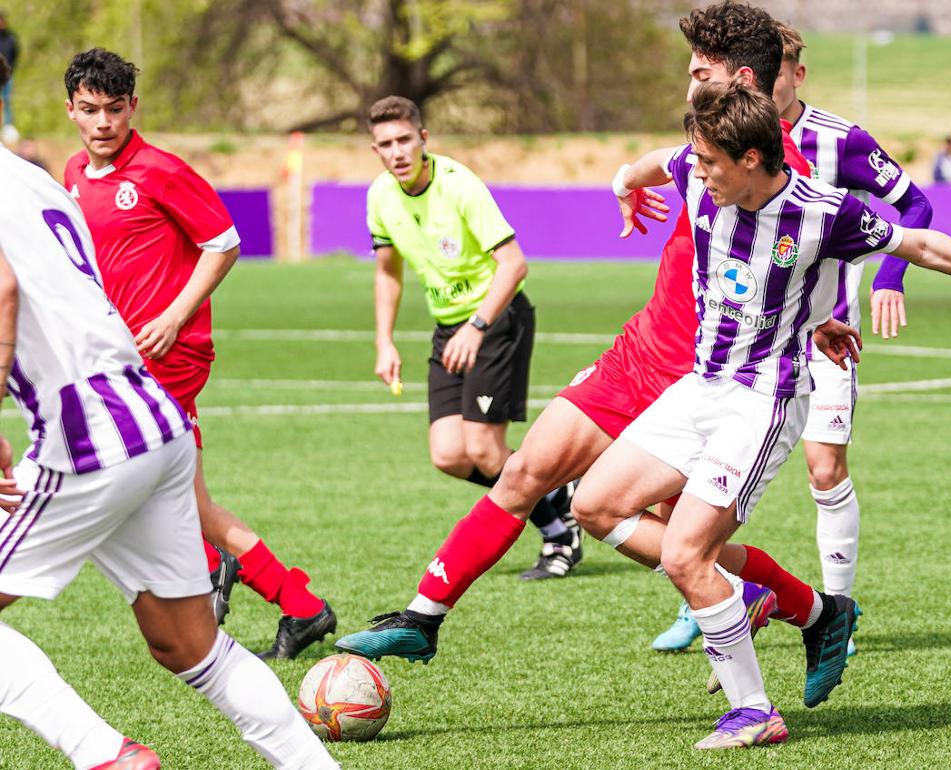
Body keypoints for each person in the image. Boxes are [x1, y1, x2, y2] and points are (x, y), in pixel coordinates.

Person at [336, 3, 844, 699]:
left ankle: (808, 611)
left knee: (676, 544)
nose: (689, 80)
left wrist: (818, 318)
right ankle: (423, 617)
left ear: (743, 78)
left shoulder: (779, 166)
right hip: (638, 353)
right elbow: (647, 169)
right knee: (524, 475)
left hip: (700, 380)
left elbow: (802, 255)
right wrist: (622, 187)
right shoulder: (698, 143)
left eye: (701, 70)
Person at [576, 79, 951, 749]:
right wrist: (623, 186)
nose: (700, 171)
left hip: (762, 401)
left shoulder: (821, 211)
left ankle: (754, 710)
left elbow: (918, 246)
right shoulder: (698, 169)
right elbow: (646, 167)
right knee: (594, 504)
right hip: (700, 386)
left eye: (713, 162)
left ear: (751, 158)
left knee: (690, 555)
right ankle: (792, 606)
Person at [0, 56, 339, 770]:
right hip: (152, 420)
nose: (101, 122)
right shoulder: (40, 179)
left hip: (86, 436)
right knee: (189, 646)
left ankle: (104, 755)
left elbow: (3, 288)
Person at [650, 18, 936, 655]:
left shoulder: (840, 141)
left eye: (777, 73)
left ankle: (837, 609)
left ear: (793, 75)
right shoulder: (717, 146)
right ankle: (706, 593)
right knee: (677, 480)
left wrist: (891, 277)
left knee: (824, 467)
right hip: (740, 344)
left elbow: (914, 208)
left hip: (822, 334)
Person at [60, 48, 334, 660]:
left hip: (170, 354)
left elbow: (224, 242)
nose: (103, 122)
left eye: (113, 109)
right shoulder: (74, 174)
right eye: (89, 110)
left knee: (138, 483)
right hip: (119, 358)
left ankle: (234, 578)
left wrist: (172, 315)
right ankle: (294, 601)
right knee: (178, 494)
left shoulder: (159, 170)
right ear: (71, 110)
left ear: (132, 107)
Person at [365, 95, 579, 581]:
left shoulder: (459, 186)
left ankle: (559, 533)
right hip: (449, 328)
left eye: (404, 140)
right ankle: (552, 492)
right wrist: (384, 341)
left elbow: (514, 264)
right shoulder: (379, 196)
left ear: (423, 139)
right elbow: (387, 273)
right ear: (374, 150)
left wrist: (477, 326)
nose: (397, 152)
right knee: (447, 455)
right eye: (385, 144)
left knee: (483, 449)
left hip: (497, 319)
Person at [0, 12, 16, 127]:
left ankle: (8, 125)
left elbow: (15, 54)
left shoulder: (10, 38)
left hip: (7, 74)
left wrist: (10, 69)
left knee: (6, 100)